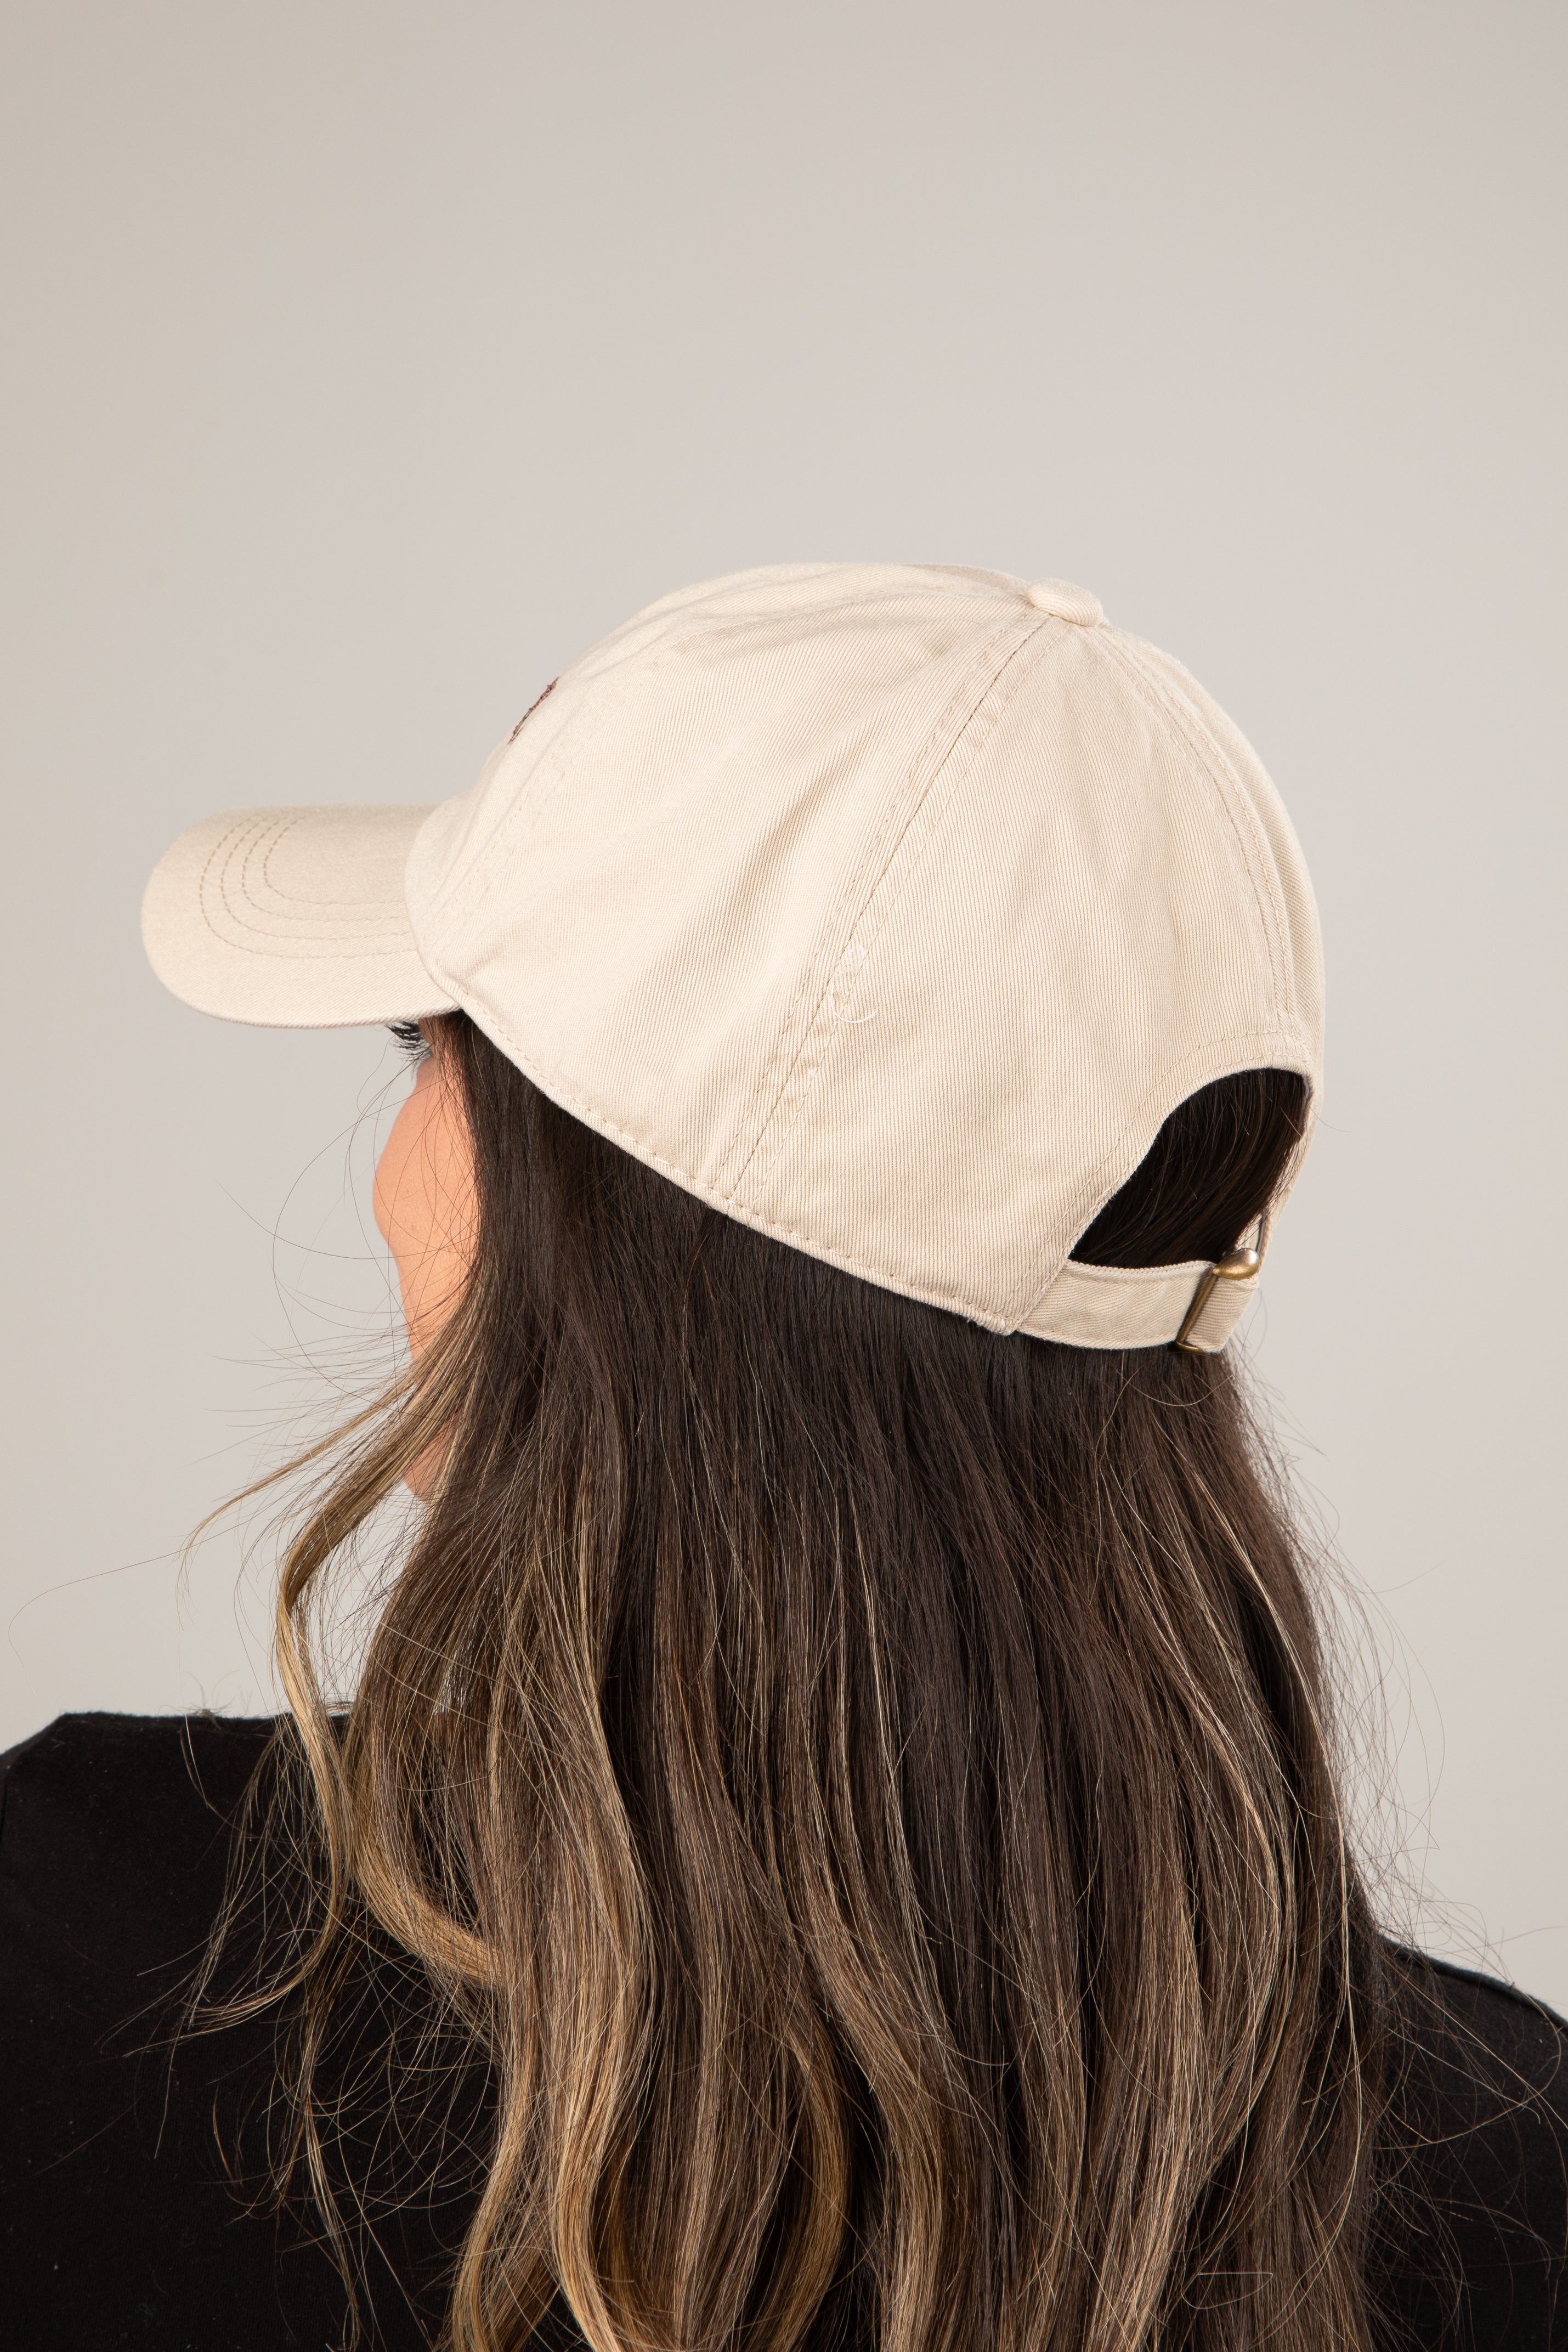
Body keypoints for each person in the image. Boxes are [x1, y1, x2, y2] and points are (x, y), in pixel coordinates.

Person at [3, 564, 1565, 2352]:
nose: (399, 1158)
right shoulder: (1505, 2171)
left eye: (430, 1048)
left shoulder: (97, 1963)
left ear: (582, 1245)